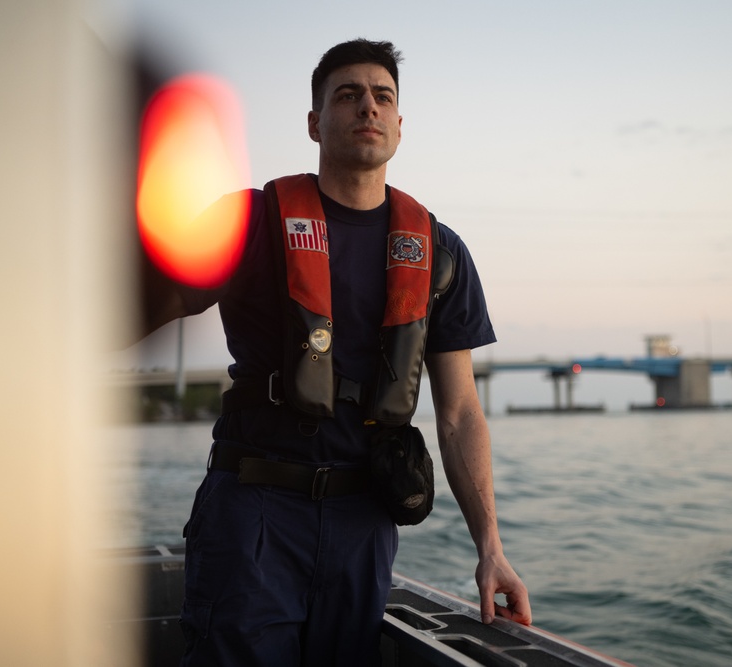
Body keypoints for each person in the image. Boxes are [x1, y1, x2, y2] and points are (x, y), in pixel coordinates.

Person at [140, 39, 531, 665]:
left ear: (400, 124)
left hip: (364, 523)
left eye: (383, 97)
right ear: (316, 123)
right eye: (347, 95)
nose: (367, 108)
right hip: (254, 512)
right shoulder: (250, 222)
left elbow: (459, 414)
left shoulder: (441, 253)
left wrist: (490, 546)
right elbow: (133, 308)